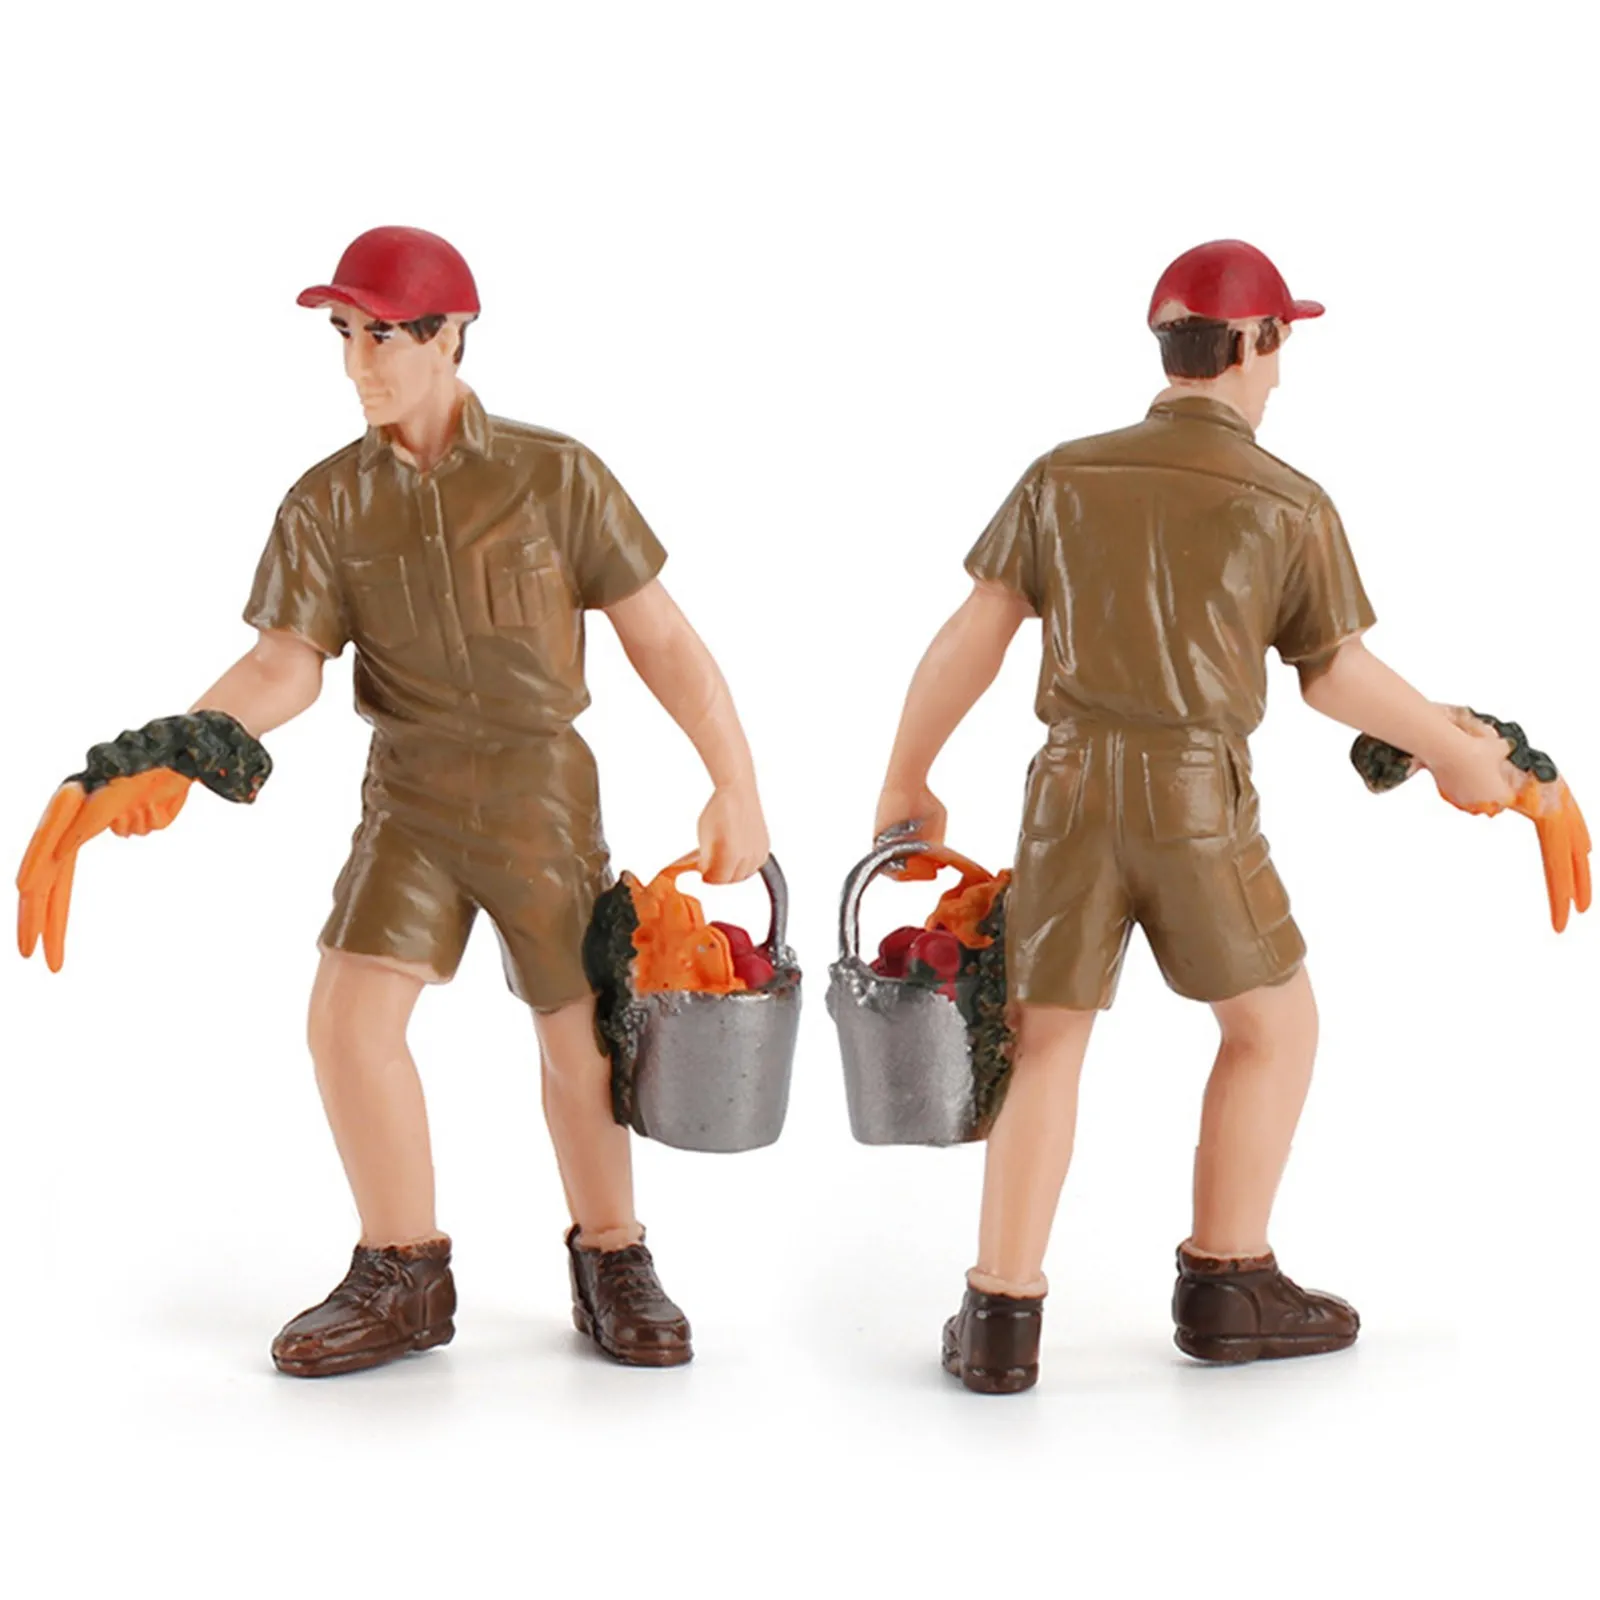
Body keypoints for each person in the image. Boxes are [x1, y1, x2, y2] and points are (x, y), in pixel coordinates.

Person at [18, 226, 771, 1377]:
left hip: (537, 793)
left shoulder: (557, 475)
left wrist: (735, 779)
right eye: (346, 335)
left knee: (578, 1036)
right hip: (410, 797)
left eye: (382, 336)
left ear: (450, 334)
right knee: (348, 1022)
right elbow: (284, 665)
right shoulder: (327, 503)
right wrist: (168, 751)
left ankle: (613, 1253)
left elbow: (659, 635)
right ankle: (403, 1271)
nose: (359, 363)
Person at [874, 238, 1535, 1393]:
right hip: (1192, 795)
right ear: (1252, 342)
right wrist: (1455, 748)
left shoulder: (1062, 476)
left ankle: (998, 1315)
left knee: (1044, 1043)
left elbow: (971, 636)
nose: (1279, 373)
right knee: (1274, 1025)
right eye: (1278, 348)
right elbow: (1335, 675)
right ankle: (1228, 1281)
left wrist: (905, 779)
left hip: (1068, 793)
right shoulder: (1286, 501)